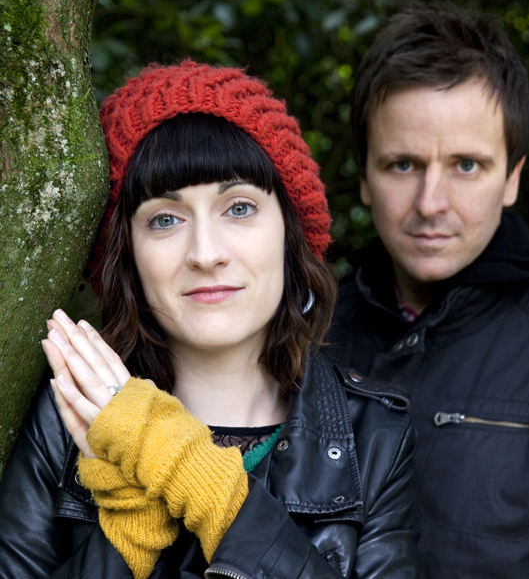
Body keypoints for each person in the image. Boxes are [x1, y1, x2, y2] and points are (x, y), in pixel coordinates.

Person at [0, 62, 417, 579]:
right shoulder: (63, 416)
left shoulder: (372, 434)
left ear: (289, 231)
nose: (205, 253)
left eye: (238, 208)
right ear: (126, 253)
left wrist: (208, 488)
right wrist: (129, 529)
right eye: (165, 219)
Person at [323, 2, 529, 579]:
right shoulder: (298, 340)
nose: (431, 203)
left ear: (512, 178)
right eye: (403, 165)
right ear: (364, 176)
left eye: (466, 166)